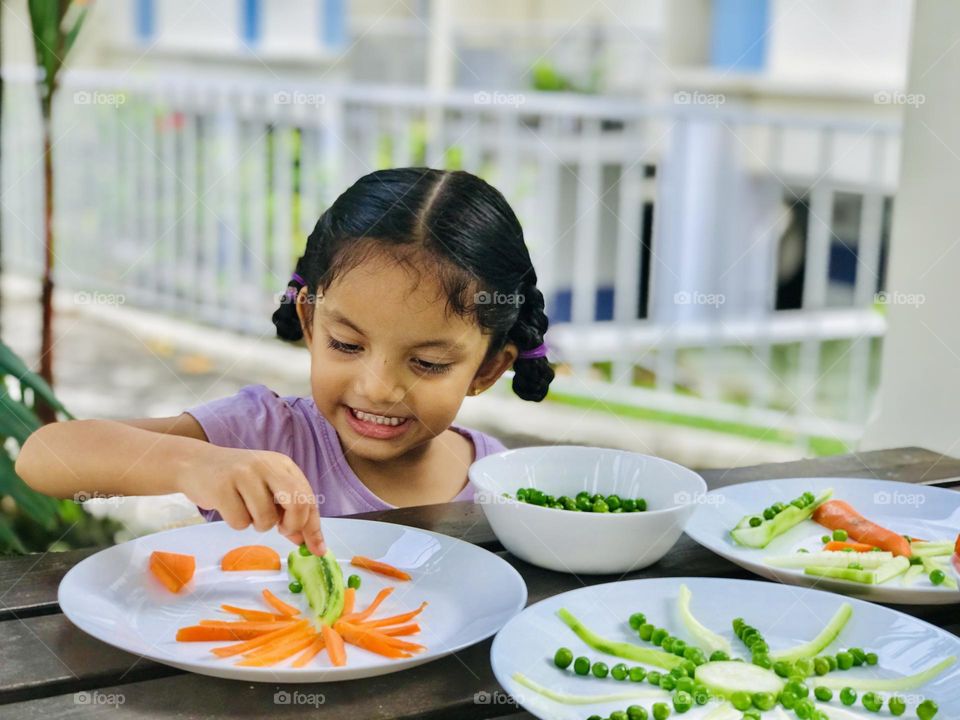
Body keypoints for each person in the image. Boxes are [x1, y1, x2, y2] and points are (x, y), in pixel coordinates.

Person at [17, 168, 555, 556]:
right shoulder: (263, 435)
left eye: (429, 363)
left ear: (487, 369)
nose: (378, 388)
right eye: (347, 345)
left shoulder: (496, 479)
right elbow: (44, 456)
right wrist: (193, 464)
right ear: (310, 320)